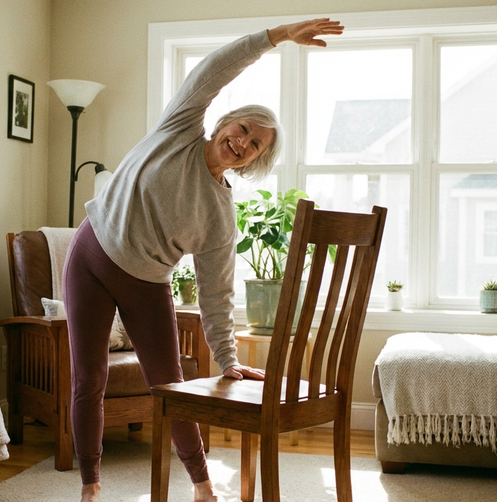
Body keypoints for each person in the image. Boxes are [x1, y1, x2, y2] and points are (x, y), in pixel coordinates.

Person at [62, 18, 344, 502]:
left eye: (254, 144)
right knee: (89, 379)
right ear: (225, 122)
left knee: (171, 387)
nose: (241, 141)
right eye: (242, 129)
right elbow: (216, 68)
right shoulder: (179, 128)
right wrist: (275, 36)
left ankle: (202, 486)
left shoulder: (221, 215)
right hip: (90, 256)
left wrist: (230, 360)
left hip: (146, 283)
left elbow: (217, 294)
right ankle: (90, 486)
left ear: (253, 160)